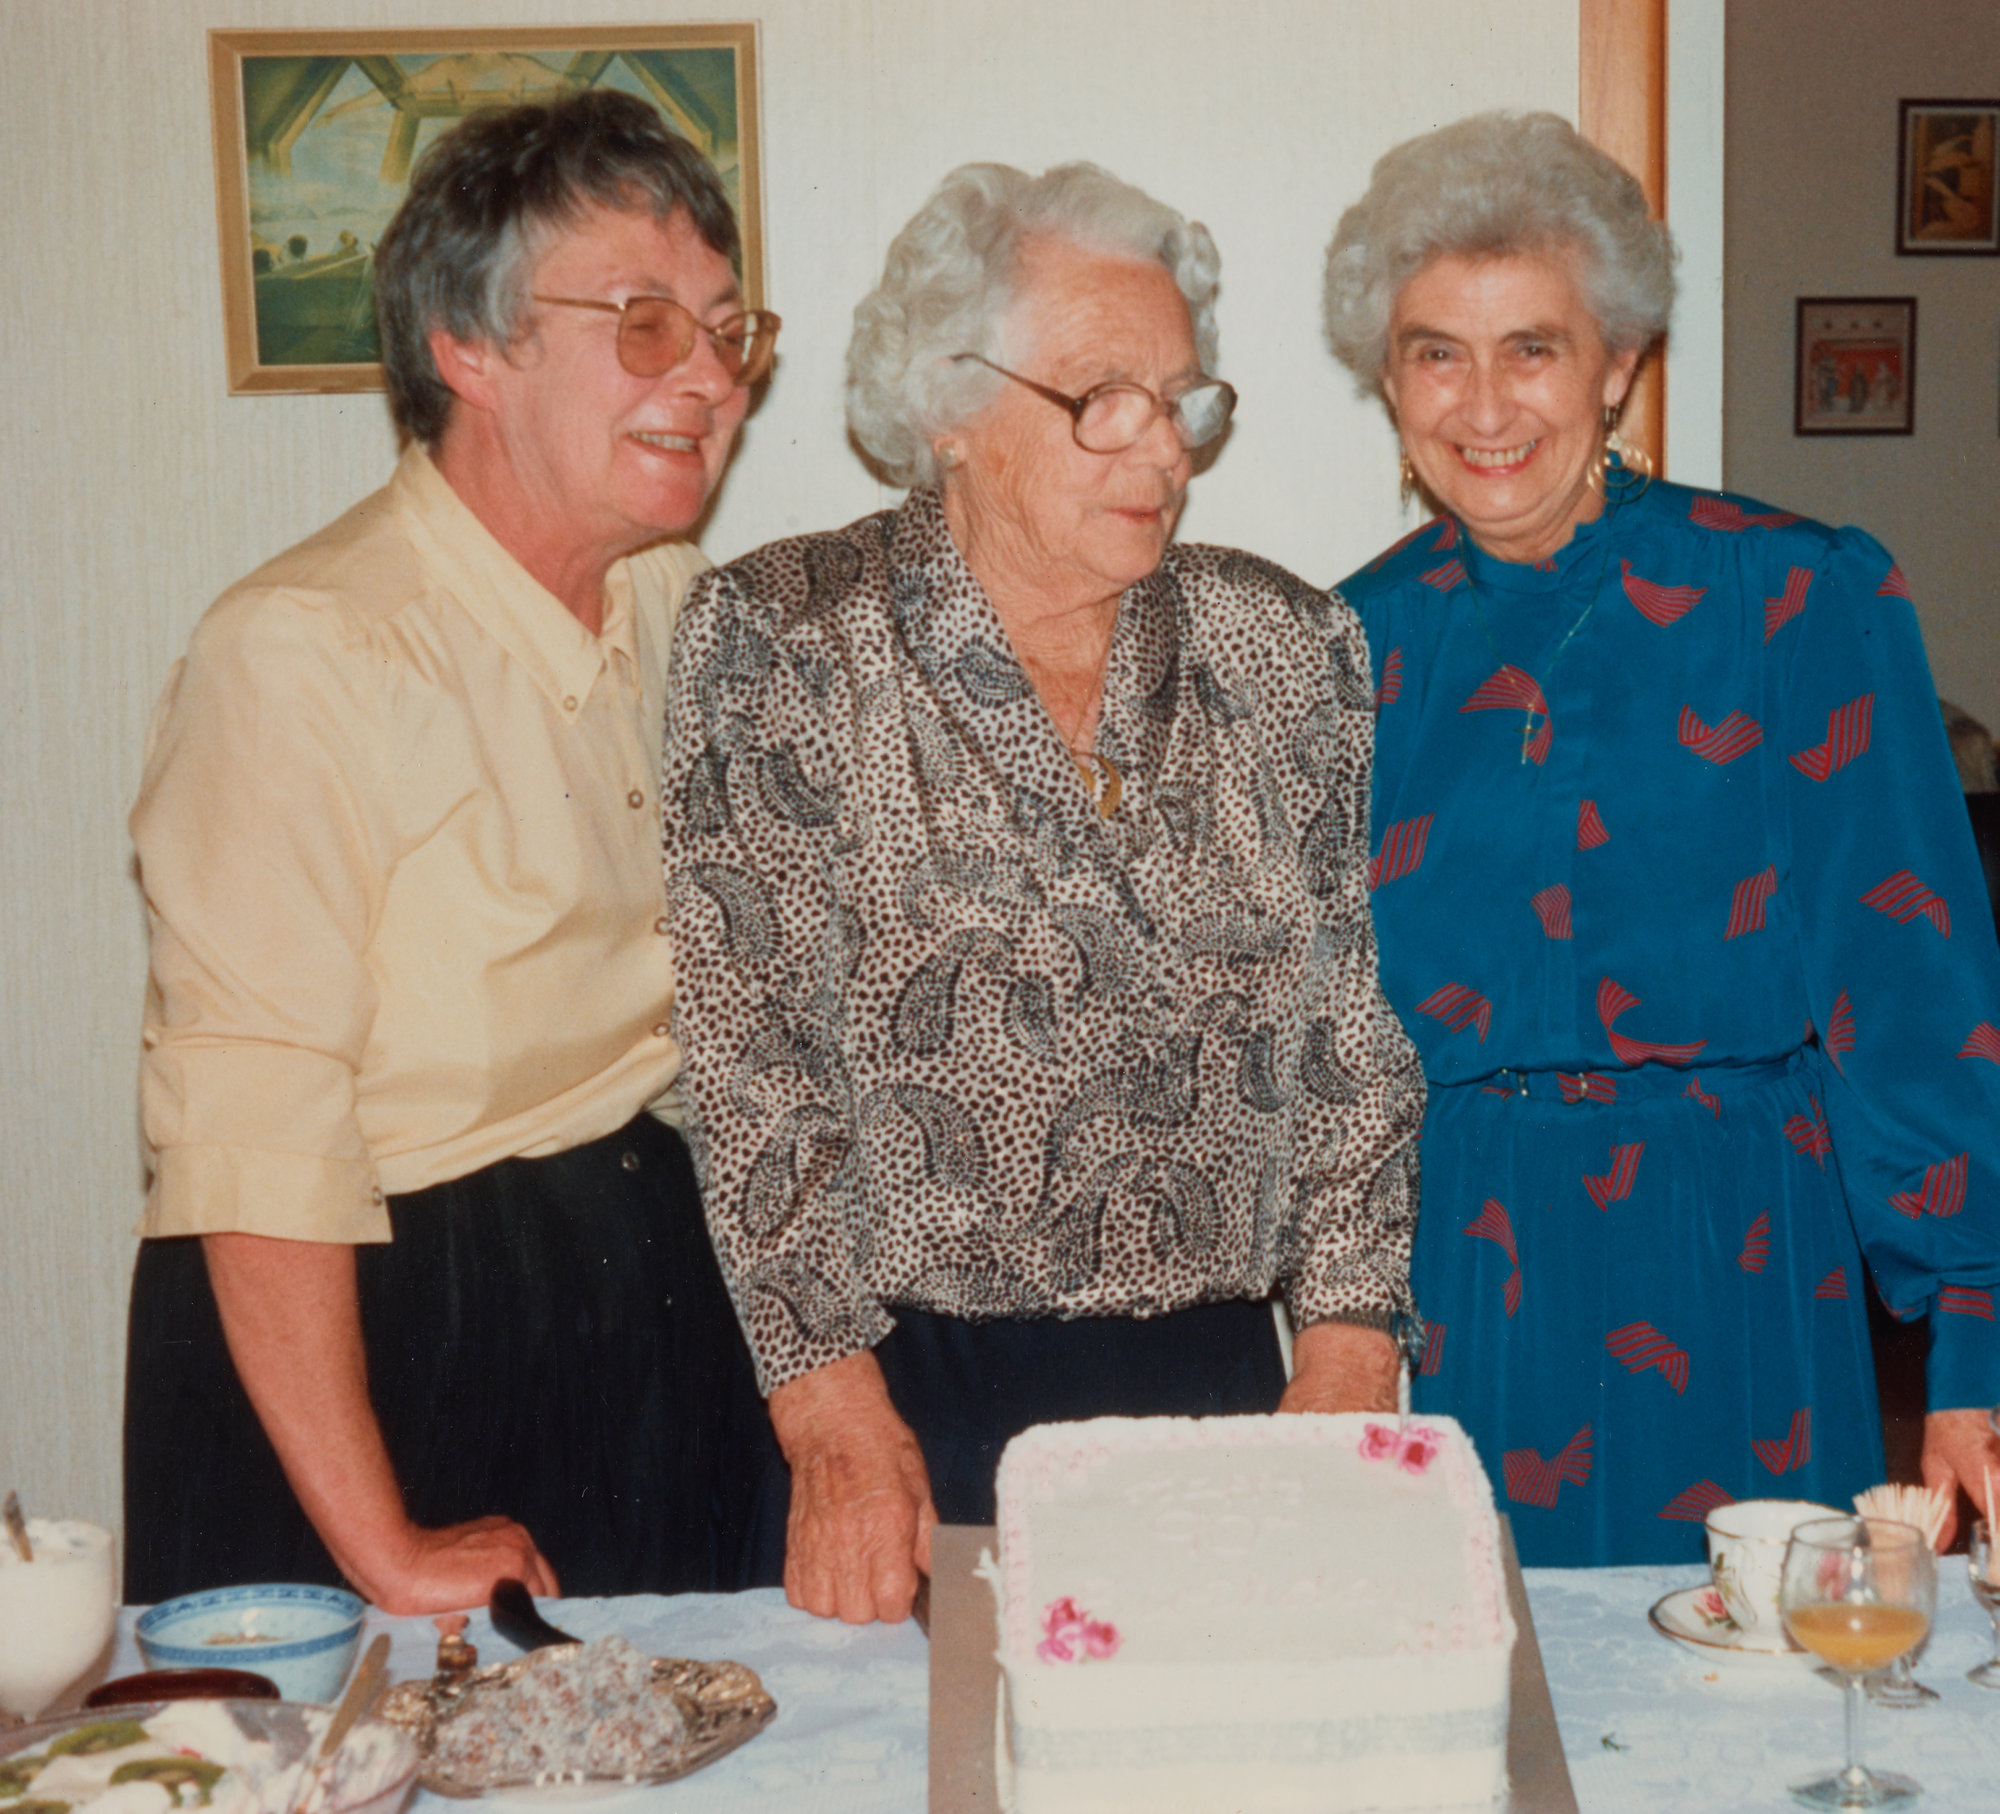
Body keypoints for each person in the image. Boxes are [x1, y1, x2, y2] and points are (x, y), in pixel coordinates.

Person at [664, 161, 1426, 1625]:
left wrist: (1345, 1345)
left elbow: (1348, 1032)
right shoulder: (787, 637)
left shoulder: (1286, 646)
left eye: (1182, 401)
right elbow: (752, 1060)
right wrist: (833, 1420)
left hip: (1217, 1390)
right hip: (903, 1398)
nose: (1163, 451)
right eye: (1103, 400)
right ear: (949, 407)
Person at [124, 90, 787, 1612]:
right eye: (643, 325)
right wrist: (387, 1547)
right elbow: (254, 1137)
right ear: (469, 348)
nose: (708, 379)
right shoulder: (304, 652)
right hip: (389, 1343)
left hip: (640, 1301)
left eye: (726, 332)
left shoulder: (674, 603)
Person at [1323, 110, 2000, 1566]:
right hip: (1468, 1269)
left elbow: (1913, 993)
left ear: (1619, 362)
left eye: (1534, 347)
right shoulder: (1342, 647)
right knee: (1482, 1676)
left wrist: (1976, 1352)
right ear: (1388, 377)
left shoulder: (1797, 599)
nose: (1483, 405)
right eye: (1437, 352)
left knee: (1749, 1673)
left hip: (1736, 1248)